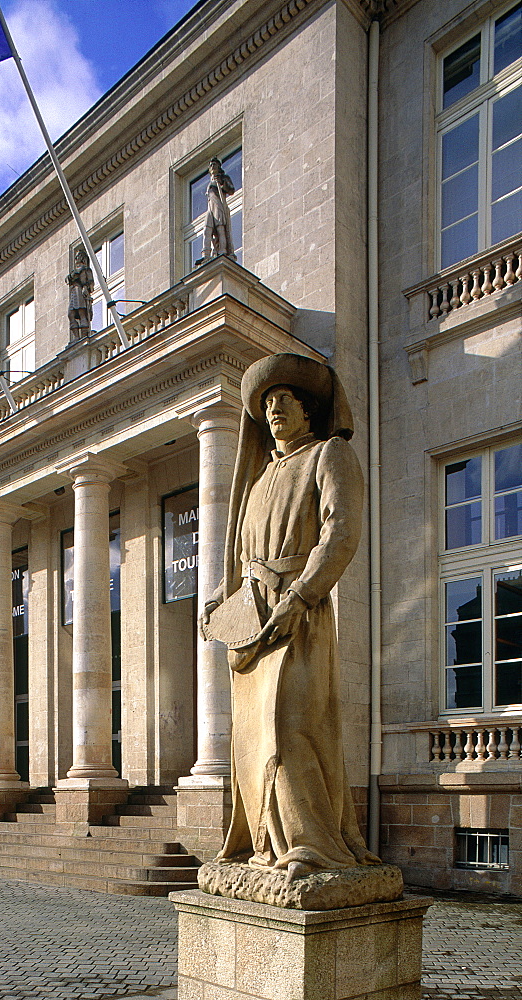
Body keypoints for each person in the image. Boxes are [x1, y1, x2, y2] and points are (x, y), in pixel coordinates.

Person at [200, 353, 379, 882]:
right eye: (267, 403)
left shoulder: (329, 455)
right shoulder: (258, 480)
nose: (275, 410)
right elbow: (242, 558)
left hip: (299, 614)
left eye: (285, 401)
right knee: (252, 737)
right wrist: (218, 599)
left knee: (294, 725)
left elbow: (340, 532)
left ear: (307, 411)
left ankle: (311, 844)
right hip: (253, 624)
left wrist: (300, 595)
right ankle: (263, 843)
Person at [198, 157, 236, 263]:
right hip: (211, 207)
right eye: (211, 165)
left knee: (220, 228)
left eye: (214, 164)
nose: (212, 166)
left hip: (219, 206)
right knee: (207, 229)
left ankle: (223, 251)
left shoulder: (222, 178)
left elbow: (231, 189)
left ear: (219, 167)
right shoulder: (211, 181)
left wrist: (222, 183)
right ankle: (206, 254)